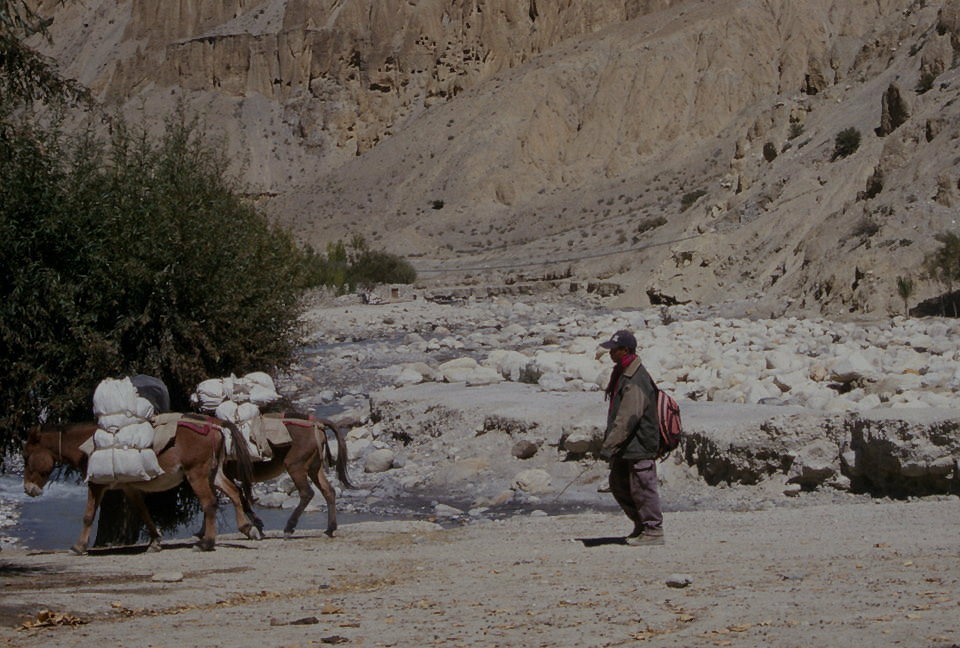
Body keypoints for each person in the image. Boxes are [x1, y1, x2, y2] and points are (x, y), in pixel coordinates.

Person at [598, 329, 665, 546]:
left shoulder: (636, 377)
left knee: (642, 486)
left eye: (614, 350)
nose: (610, 353)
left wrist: (609, 446)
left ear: (625, 350)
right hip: (627, 446)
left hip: (639, 444)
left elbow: (629, 417)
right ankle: (641, 525)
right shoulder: (623, 372)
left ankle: (653, 530)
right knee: (619, 483)